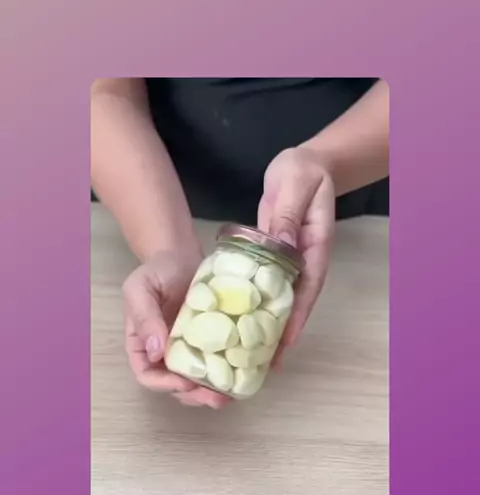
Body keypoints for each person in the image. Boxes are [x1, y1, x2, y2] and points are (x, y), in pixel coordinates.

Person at [91, 77, 389, 409]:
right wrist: (167, 248)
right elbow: (105, 92)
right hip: (164, 182)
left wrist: (329, 159)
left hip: (362, 184)